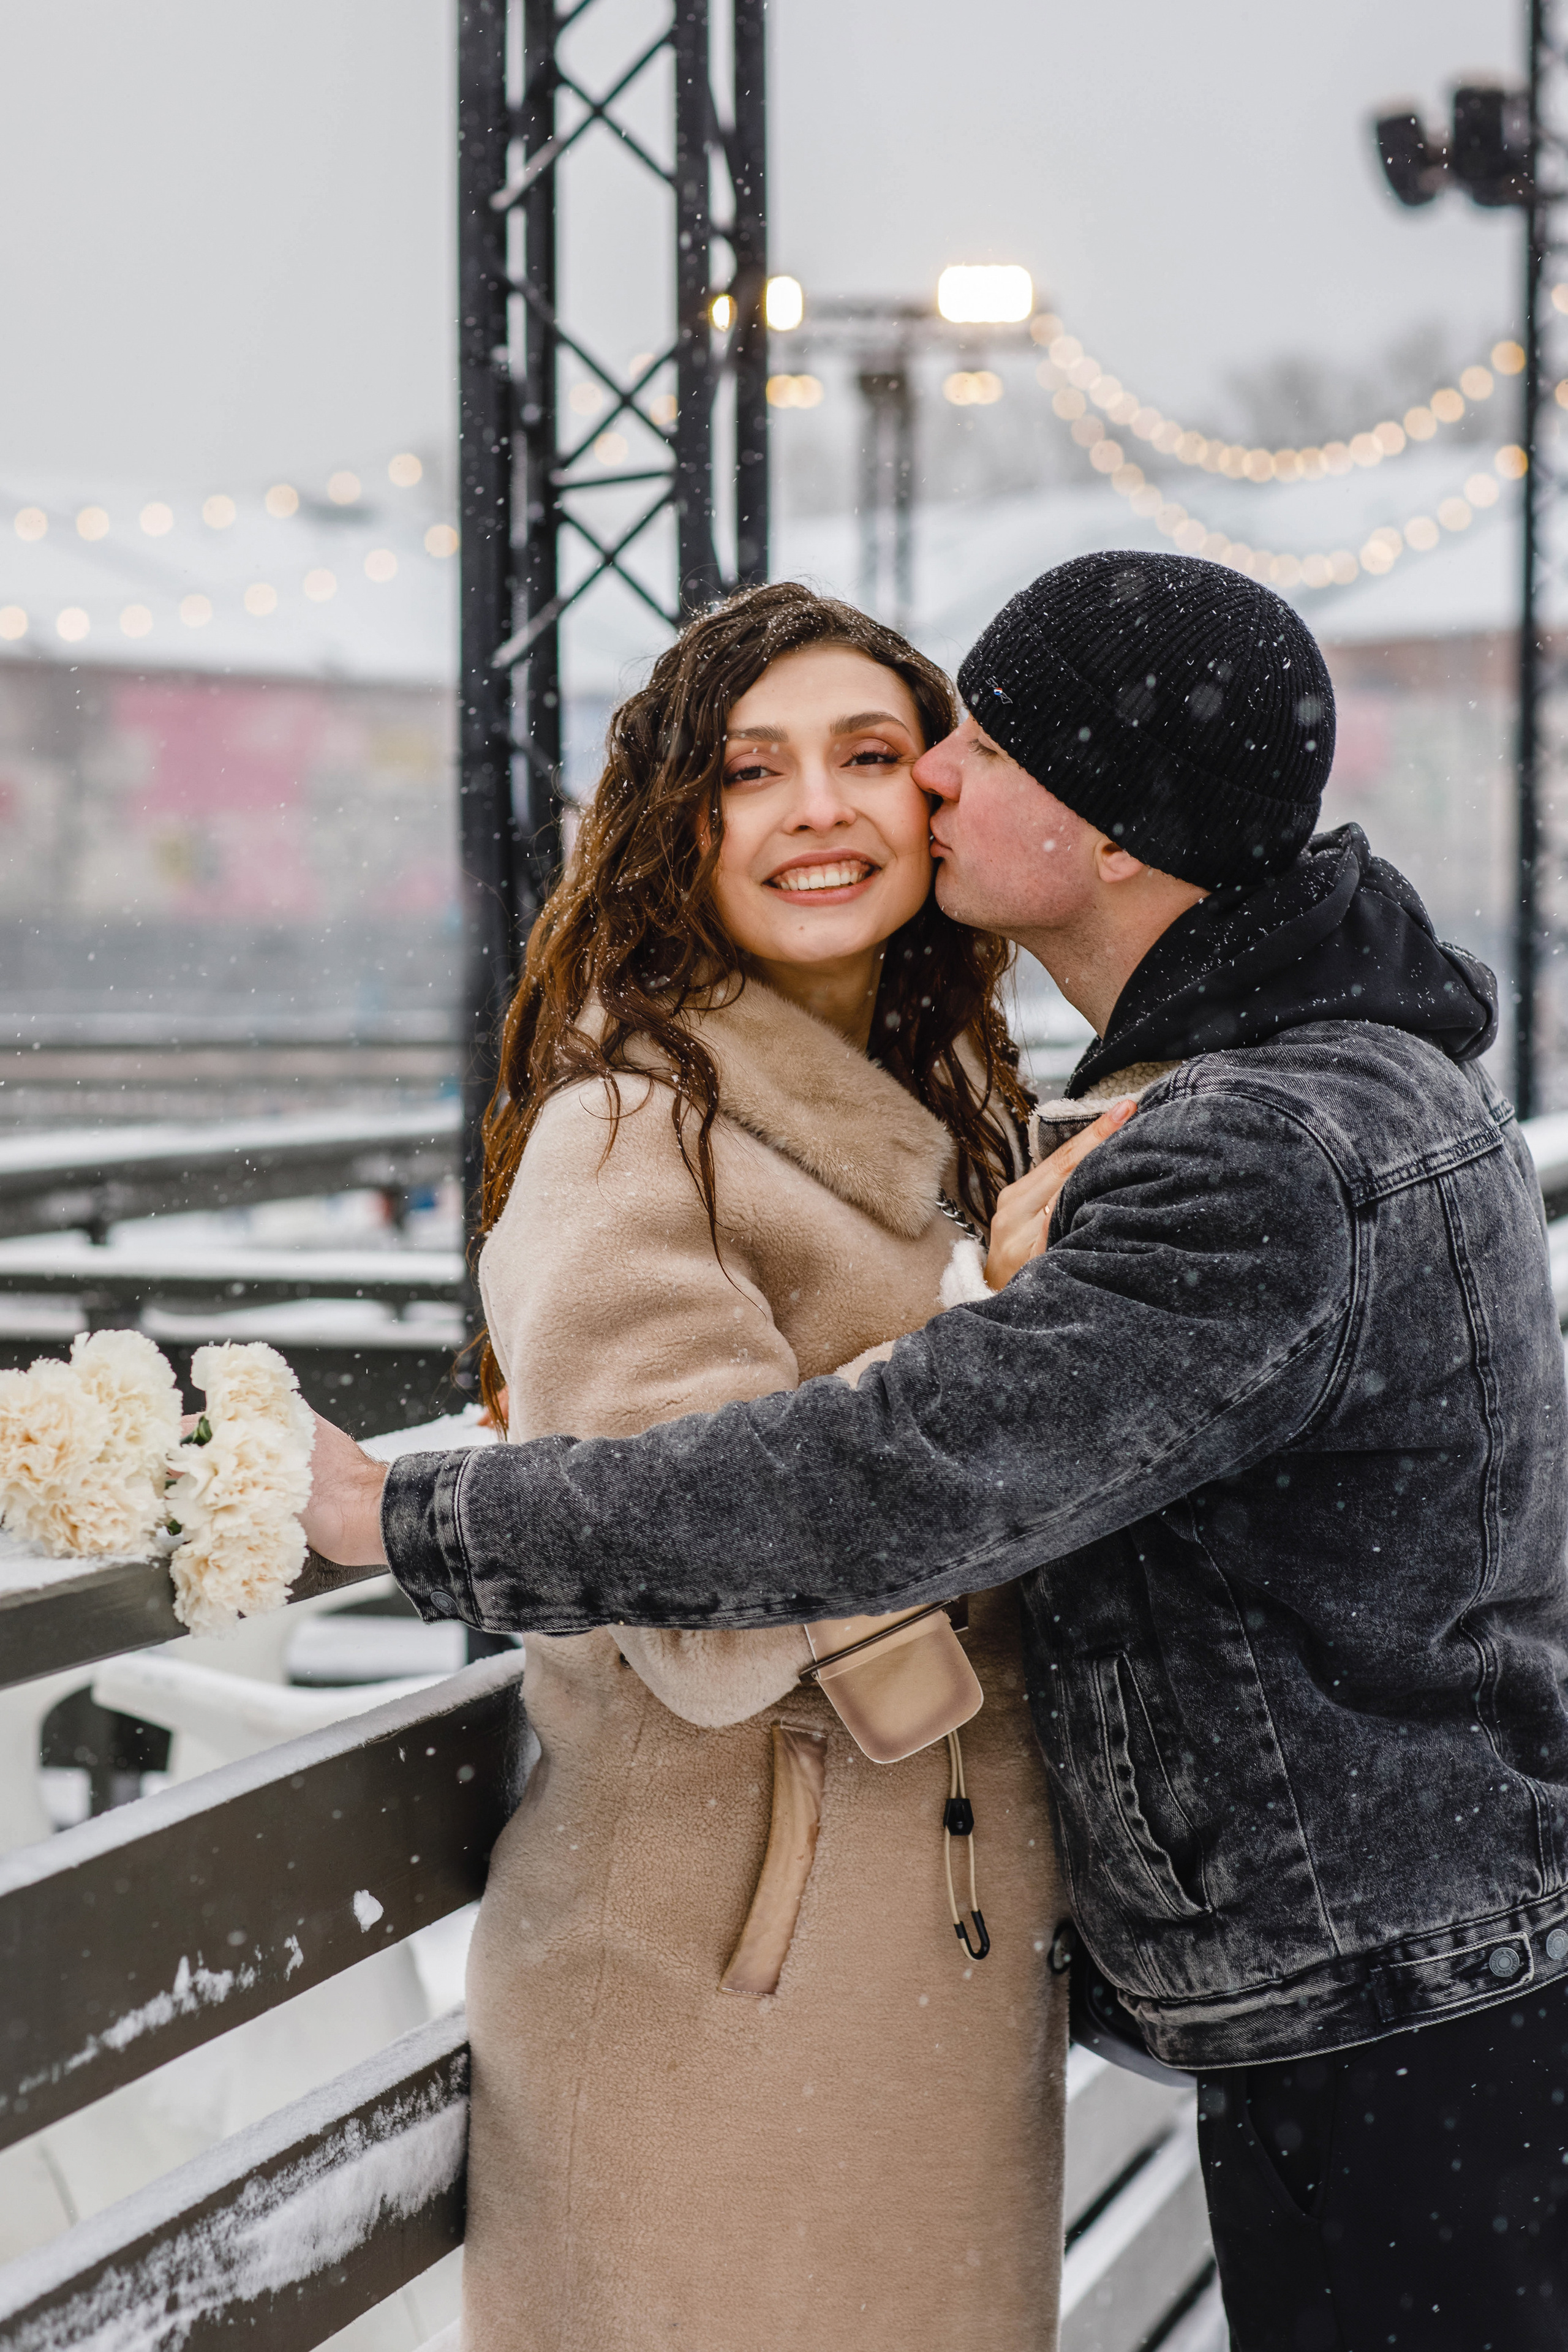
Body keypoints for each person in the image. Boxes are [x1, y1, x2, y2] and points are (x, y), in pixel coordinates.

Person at [309, 552, 1568, 2350]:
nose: (919, 785)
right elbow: (861, 1505)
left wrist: (431, 1514)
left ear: (1114, 829)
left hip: (1351, 1996)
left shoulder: (1235, 1141)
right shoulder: (1297, 1088)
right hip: (796, 1978)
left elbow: (910, 1465)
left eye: (941, 740)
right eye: (751, 769)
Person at [445, 582, 1104, 2352]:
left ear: (940, 796)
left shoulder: (950, 1098)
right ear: (680, 822)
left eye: (871, 757)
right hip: (719, 1983)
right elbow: (695, 1599)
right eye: (754, 770)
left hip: (934, 1944)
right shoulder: (627, 1134)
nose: (821, 808)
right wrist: (999, 1324)